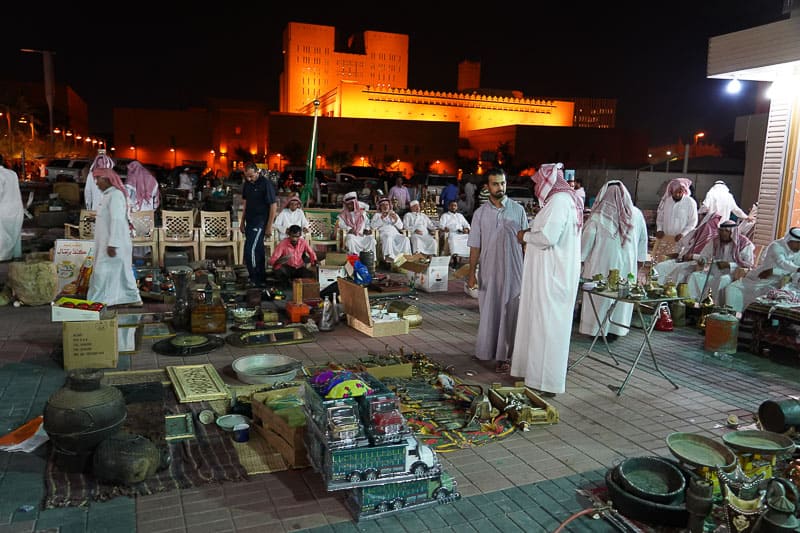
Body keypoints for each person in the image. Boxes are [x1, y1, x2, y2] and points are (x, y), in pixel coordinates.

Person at [511, 163, 582, 397]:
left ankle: (546, 383)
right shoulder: (562, 201)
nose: (535, 188)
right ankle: (533, 376)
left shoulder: (560, 201)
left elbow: (548, 237)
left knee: (547, 329)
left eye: (537, 183)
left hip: (552, 277)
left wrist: (525, 236)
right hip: (550, 274)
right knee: (540, 326)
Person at [467, 168, 529, 373]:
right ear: (488, 186)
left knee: (510, 312)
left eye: (502, 183)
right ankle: (485, 352)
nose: (500, 187)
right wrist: (471, 275)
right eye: (495, 184)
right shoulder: (480, 213)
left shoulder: (518, 210)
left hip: (514, 271)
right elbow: (475, 245)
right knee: (489, 310)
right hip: (489, 271)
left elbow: (525, 244)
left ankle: (507, 357)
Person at [579, 180, 648, 341]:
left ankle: (596, 329)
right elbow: (643, 240)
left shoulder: (598, 215)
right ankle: (616, 330)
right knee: (620, 296)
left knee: (600, 296)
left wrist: (581, 258)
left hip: (601, 265)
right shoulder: (636, 214)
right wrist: (639, 262)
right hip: (627, 265)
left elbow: (586, 243)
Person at [86, 167, 142, 308]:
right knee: (122, 272)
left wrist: (113, 244)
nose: (97, 183)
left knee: (102, 272)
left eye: (98, 179)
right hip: (109, 242)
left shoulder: (115, 195)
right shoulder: (109, 195)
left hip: (114, 243)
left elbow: (117, 220)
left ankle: (96, 303)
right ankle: (131, 298)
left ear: (106, 179)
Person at [724, 228, 800, 314]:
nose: (799, 247)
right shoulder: (776, 246)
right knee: (733, 288)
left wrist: (774, 271)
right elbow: (782, 262)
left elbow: (794, 273)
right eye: (798, 243)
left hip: (781, 283)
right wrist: (796, 269)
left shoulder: (798, 251)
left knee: (768, 297)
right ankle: (733, 316)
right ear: (792, 240)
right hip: (761, 278)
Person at [684, 220, 755, 305]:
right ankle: (692, 304)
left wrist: (729, 265)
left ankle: (715, 307)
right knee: (695, 276)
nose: (723, 233)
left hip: (733, 274)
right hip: (714, 272)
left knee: (723, 280)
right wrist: (701, 260)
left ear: (732, 232)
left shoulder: (744, 243)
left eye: (726, 231)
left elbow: (749, 264)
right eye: (721, 231)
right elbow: (705, 256)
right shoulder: (715, 241)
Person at [240, 161, 278, 288]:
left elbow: (273, 206)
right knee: (258, 249)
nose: (250, 179)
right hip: (250, 221)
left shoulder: (265, 184)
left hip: (260, 221)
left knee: (249, 249)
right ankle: (261, 279)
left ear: (258, 172)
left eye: (252, 176)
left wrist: (269, 226)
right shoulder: (247, 184)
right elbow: (245, 204)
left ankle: (253, 277)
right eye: (247, 176)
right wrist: (242, 221)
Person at [653, 178, 698, 262]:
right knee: (660, 263)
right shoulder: (666, 201)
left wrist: (682, 234)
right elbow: (660, 218)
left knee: (674, 264)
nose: (678, 194)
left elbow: (693, 221)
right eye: (676, 191)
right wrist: (659, 229)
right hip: (665, 239)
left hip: (681, 241)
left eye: (680, 191)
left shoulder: (690, 202)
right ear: (671, 190)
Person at [371, 197, 411, 263]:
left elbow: (401, 227)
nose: (385, 206)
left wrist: (396, 220)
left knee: (405, 239)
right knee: (388, 237)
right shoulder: (377, 215)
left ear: (389, 206)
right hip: (384, 233)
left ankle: (404, 258)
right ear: (380, 207)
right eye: (383, 205)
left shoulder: (394, 214)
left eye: (387, 205)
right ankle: (388, 258)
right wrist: (381, 218)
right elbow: (373, 226)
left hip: (395, 233)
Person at [337, 191, 376, 257]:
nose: (349, 206)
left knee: (371, 239)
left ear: (355, 204)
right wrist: (349, 229)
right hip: (352, 235)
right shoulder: (342, 215)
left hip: (363, 235)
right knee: (350, 239)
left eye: (351, 204)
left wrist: (367, 229)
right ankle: (355, 259)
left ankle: (369, 260)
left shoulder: (362, 213)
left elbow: (367, 223)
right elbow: (341, 224)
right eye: (348, 204)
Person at [0, 155, 23, 261]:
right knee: (14, 235)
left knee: (3, 237)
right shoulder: (12, 173)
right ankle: (14, 257)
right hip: (16, 209)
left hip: (3, 210)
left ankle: (3, 258)